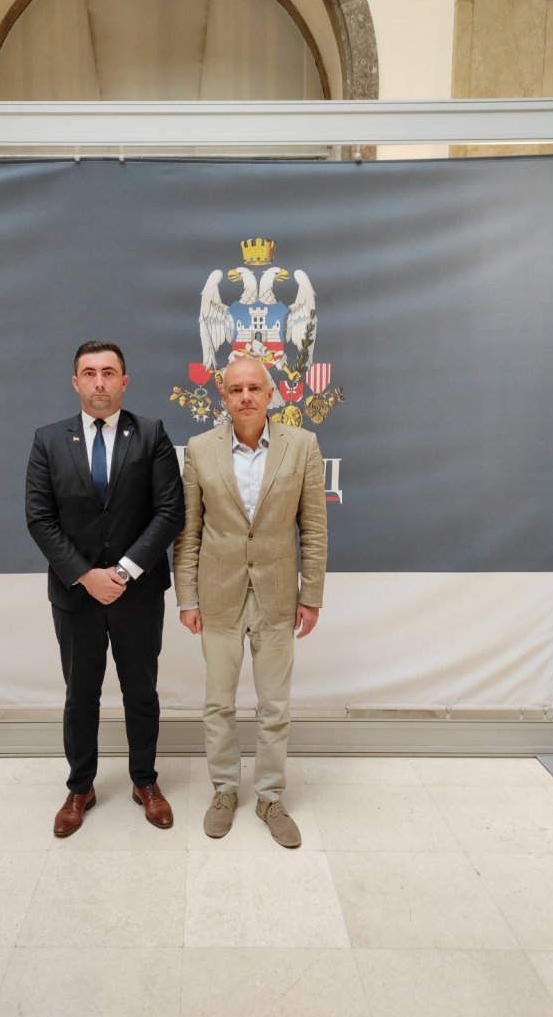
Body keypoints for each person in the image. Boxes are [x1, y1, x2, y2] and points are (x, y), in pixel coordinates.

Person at [26, 340, 184, 837]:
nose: (99, 382)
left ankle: (145, 781)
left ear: (124, 381)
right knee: (81, 695)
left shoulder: (152, 434)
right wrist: (86, 574)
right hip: (76, 594)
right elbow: (40, 517)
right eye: (90, 373)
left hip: (138, 593)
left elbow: (170, 512)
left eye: (109, 372)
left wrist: (124, 571)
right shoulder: (48, 440)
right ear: (76, 382)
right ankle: (80, 788)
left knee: (141, 691)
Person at [173, 356, 327, 848]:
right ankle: (223, 790)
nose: (245, 397)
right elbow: (189, 531)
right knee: (218, 703)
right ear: (223, 396)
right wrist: (186, 597)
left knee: (274, 706)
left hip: (278, 595)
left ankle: (270, 797)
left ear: (270, 393)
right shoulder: (200, 449)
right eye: (235, 389)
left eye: (254, 388)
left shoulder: (302, 445)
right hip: (218, 595)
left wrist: (311, 595)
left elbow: (314, 528)